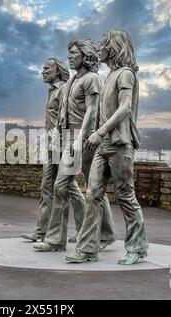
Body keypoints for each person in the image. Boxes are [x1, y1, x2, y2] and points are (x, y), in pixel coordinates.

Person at [66, 30, 148, 265]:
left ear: (114, 47)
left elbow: (125, 109)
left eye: (103, 44)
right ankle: (88, 249)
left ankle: (137, 247)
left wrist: (100, 132)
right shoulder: (109, 76)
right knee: (92, 194)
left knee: (125, 196)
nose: (99, 48)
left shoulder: (126, 75)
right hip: (104, 145)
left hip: (120, 144)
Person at [34, 37, 116, 252]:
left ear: (85, 55)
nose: (69, 57)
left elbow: (93, 109)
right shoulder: (71, 81)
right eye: (69, 53)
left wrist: (80, 139)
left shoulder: (92, 79)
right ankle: (56, 240)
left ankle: (105, 234)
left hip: (84, 140)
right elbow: (63, 111)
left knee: (94, 188)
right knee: (63, 186)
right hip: (69, 138)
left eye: (73, 53)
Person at [20, 57, 84, 243]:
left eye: (47, 68)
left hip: (62, 145)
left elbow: (70, 118)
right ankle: (41, 232)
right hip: (50, 145)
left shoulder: (64, 89)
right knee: (46, 188)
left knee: (70, 188)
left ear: (57, 71)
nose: (43, 71)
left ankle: (84, 230)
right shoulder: (52, 91)